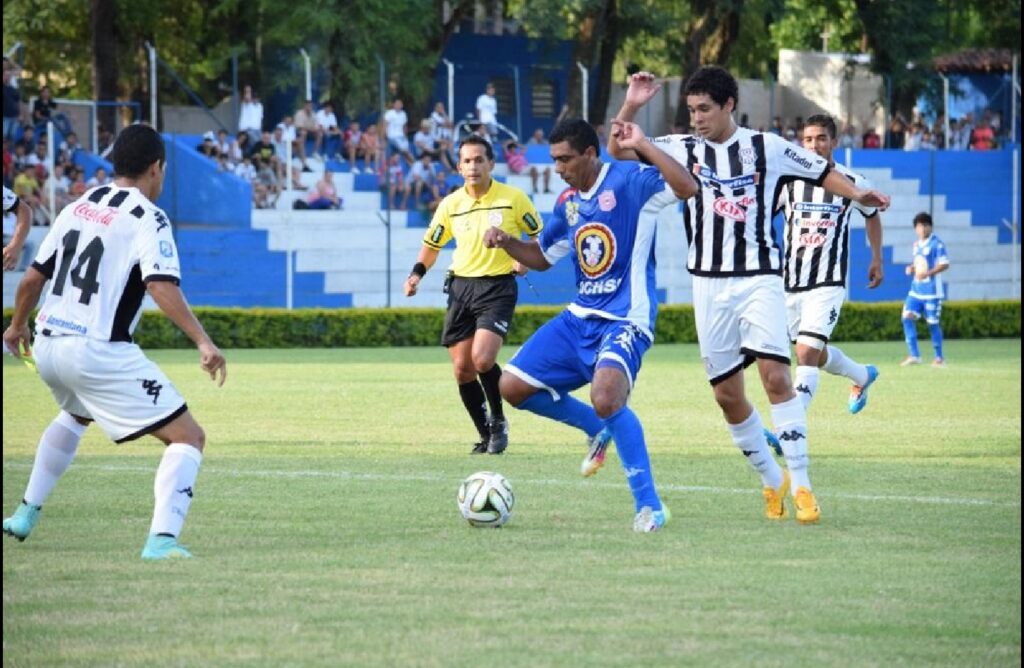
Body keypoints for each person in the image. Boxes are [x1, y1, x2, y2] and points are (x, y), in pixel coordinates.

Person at [609, 68, 890, 524]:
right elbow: (618, 149)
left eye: (704, 109)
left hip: (760, 276)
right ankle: (770, 477)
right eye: (691, 110)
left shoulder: (768, 148)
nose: (696, 119)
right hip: (708, 283)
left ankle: (802, 484)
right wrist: (632, 105)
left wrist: (860, 192)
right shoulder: (682, 148)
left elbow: (822, 172)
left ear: (728, 106)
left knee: (777, 376)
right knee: (726, 395)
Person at [1, 124, 227, 560]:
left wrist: (16, 326)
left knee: (73, 415)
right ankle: (162, 541)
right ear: (156, 168)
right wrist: (203, 341)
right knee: (188, 438)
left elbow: (32, 278)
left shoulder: (79, 206)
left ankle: (25, 513)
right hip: (97, 350)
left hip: (48, 344)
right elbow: (160, 286)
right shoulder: (149, 216)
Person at [483, 118, 697, 532]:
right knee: (511, 386)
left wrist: (646, 146)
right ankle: (596, 429)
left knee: (607, 396)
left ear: (589, 154)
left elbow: (687, 188)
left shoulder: (630, 181)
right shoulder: (567, 202)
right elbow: (544, 258)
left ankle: (650, 506)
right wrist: (507, 241)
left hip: (625, 317)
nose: (558, 168)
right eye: (554, 160)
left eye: (565, 159)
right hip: (580, 315)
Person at [403, 135, 542, 455]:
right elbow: (432, 246)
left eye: (479, 159)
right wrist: (416, 275)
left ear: (491, 164)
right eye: (467, 160)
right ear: (458, 166)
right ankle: (485, 434)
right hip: (461, 288)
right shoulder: (451, 204)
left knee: (483, 359)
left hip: (498, 287)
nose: (473, 166)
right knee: (462, 369)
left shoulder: (514, 198)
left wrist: (524, 259)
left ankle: (498, 422)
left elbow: (540, 235)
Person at [778, 114, 884, 417]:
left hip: (828, 282)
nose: (814, 145)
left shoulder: (852, 183)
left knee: (806, 352)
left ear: (834, 142)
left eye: (821, 138)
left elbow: (872, 215)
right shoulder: (788, 183)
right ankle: (862, 375)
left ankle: (789, 427)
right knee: (815, 352)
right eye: (808, 139)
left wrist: (877, 257)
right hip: (790, 283)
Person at [901, 212, 949, 367]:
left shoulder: (937, 244)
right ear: (916, 228)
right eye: (920, 225)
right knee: (906, 317)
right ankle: (914, 355)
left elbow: (944, 264)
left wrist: (928, 273)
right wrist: (911, 268)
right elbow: (919, 263)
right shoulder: (916, 245)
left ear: (930, 227)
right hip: (916, 291)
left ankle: (939, 358)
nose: (923, 228)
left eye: (926, 225)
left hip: (932, 292)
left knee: (932, 324)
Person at [3, 184, 32, 270]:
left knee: (30, 244)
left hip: (9, 238)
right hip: (5, 237)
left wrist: (15, 245)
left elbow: (24, 210)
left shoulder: (12, 216)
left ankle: (23, 268)